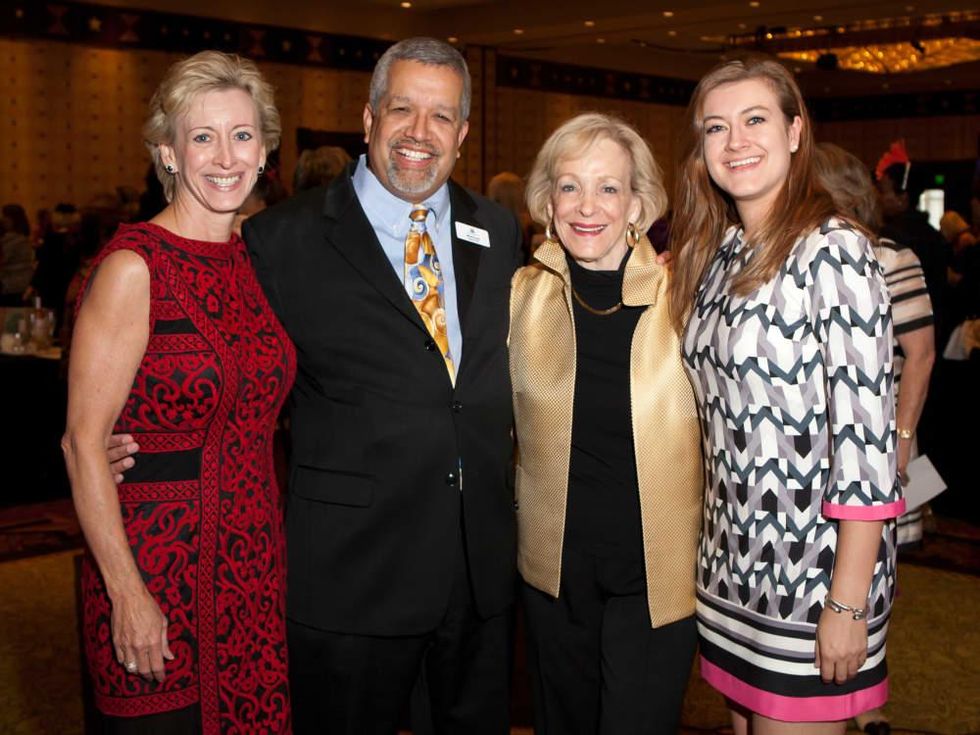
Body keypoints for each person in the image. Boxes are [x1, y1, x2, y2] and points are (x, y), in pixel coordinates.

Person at [214, 37, 517, 734]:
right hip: (352, 573)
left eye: (441, 117)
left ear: (464, 134)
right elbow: (231, 374)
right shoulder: (283, 240)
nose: (420, 133)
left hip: (475, 573)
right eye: (402, 109)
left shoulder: (495, 230)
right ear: (368, 117)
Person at [668, 57, 905, 734]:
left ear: (796, 131)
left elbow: (867, 443)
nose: (735, 140)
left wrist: (849, 603)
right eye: (717, 127)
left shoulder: (833, 251)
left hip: (813, 582)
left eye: (755, 120)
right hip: (733, 573)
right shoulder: (722, 252)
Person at [62, 50, 295, 733]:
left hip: (252, 570)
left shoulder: (261, 259)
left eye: (242, 135)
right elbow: (82, 440)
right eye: (202, 137)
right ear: (167, 151)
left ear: (264, 150)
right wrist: (127, 592)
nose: (225, 156)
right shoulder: (135, 267)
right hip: (153, 568)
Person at [510, 112, 702, 734]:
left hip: (655, 579)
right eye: (569, 186)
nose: (586, 206)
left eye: (608, 188)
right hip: (553, 574)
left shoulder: (687, 301)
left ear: (639, 203)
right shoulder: (517, 297)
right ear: (546, 199)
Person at [815, 143, 936, 735]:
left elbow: (921, 353)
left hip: (878, 446)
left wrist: (904, 436)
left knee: (870, 574)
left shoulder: (890, 255)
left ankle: (866, 703)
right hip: (824, 459)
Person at [0, 203, 35, 305]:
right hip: (21, 283)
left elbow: (2, 258)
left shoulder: (13, 239)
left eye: (5, 216)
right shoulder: (22, 236)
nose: (3, 219)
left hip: (12, 285)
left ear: (12, 219)